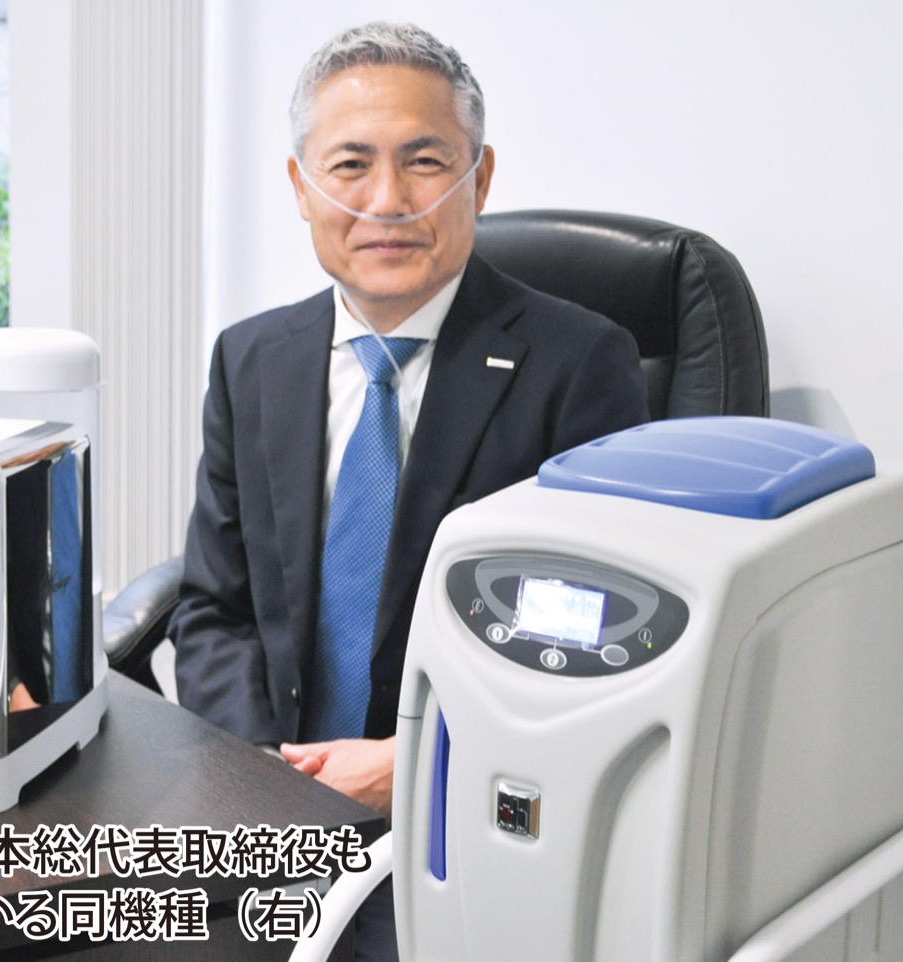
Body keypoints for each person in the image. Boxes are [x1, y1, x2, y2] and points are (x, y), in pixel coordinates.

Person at [171, 21, 648, 957]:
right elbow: (214, 608)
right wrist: (268, 770)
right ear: (300, 186)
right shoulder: (252, 359)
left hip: (461, 828)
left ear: (480, 176)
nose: (387, 201)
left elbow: (590, 640)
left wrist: (420, 762)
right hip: (273, 816)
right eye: (350, 165)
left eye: (425, 162)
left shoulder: (581, 363)